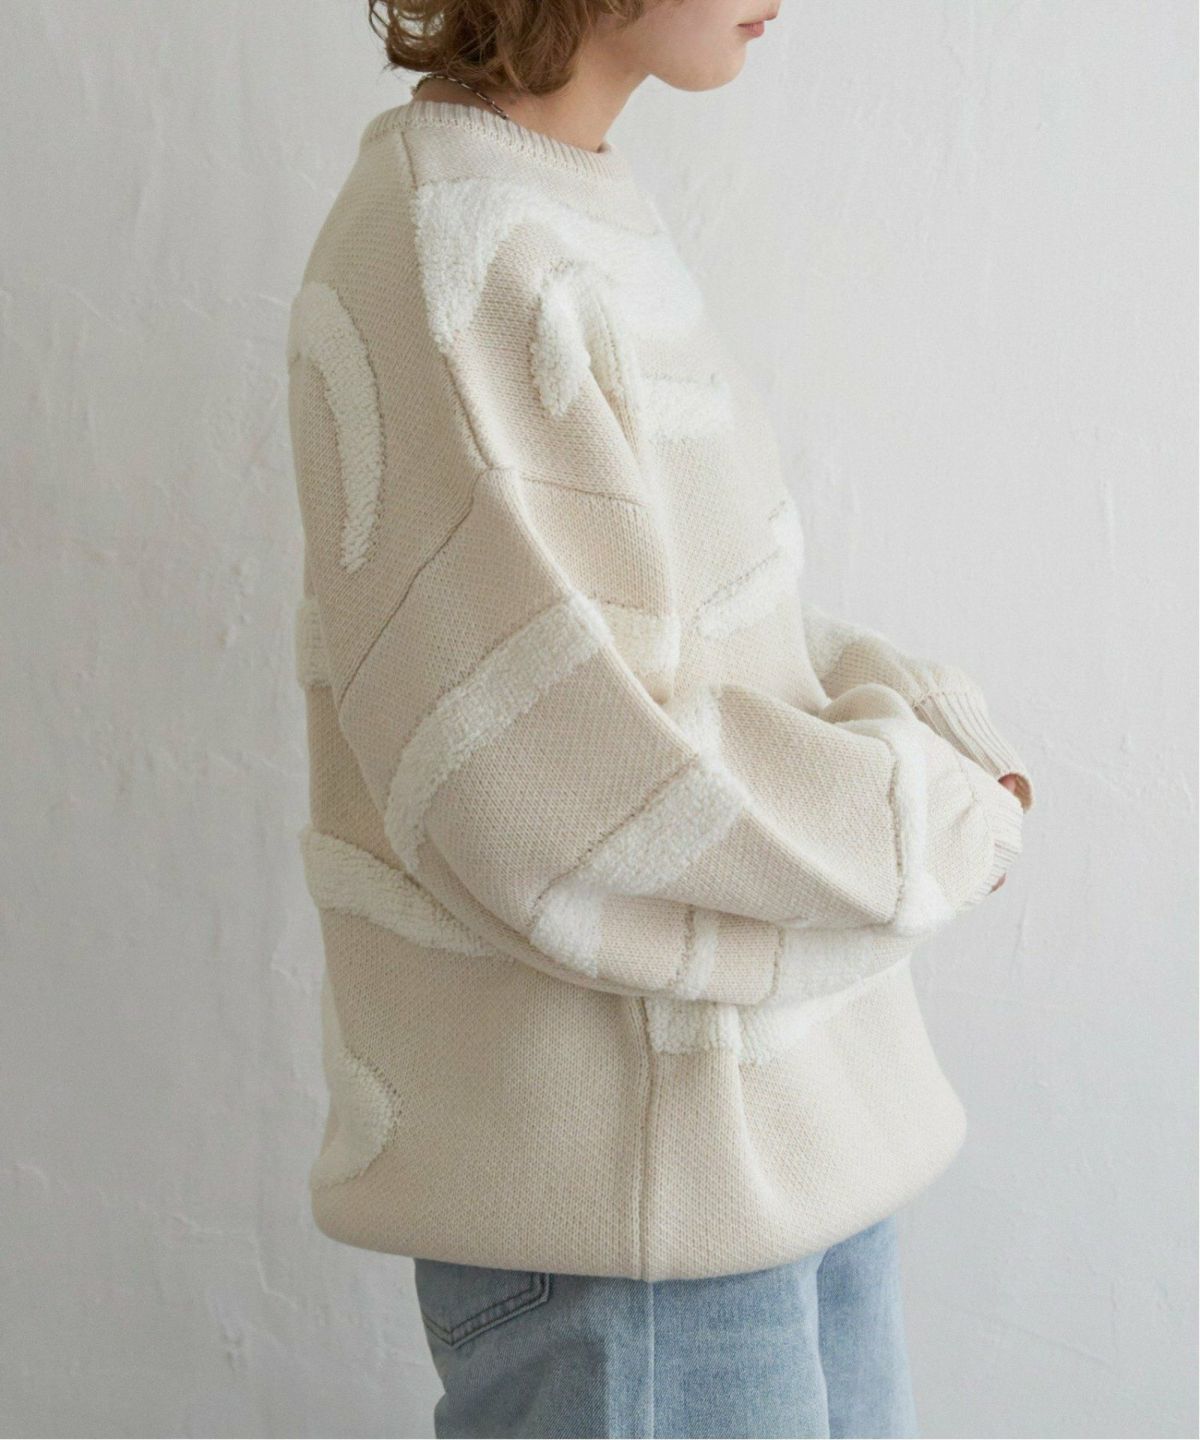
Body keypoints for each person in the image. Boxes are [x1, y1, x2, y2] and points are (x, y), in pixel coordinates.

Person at [284, 1, 1035, 1434]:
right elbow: (552, 784)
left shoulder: (557, 211)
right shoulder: (455, 252)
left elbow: (722, 641)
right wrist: (930, 826)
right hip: (641, 1225)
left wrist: (941, 746)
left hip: (772, 1160)